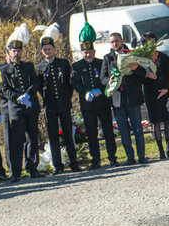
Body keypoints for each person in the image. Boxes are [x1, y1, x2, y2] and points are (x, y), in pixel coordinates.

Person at [0, 26, 45, 182]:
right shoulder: (4, 70)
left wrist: (28, 95)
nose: (16, 53)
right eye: (14, 51)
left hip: (31, 107)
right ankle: (16, 172)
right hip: (16, 110)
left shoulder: (28, 66)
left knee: (32, 138)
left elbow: (36, 81)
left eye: (19, 51)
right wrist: (18, 98)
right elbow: (4, 89)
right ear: (9, 53)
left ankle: (32, 168)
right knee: (17, 141)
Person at [71, 22, 118, 170]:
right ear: (81, 53)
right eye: (85, 53)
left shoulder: (100, 62)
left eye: (90, 52)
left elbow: (105, 78)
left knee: (108, 131)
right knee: (91, 134)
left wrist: (101, 89)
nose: (88, 54)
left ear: (94, 51)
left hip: (103, 102)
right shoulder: (77, 66)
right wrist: (85, 92)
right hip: (88, 105)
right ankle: (95, 160)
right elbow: (75, 83)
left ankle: (112, 157)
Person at [36, 28, 81, 174]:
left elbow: (69, 84)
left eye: (50, 48)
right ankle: (58, 165)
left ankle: (74, 163)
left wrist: (66, 98)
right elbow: (40, 88)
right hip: (49, 106)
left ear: (54, 49)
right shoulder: (40, 67)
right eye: (45, 49)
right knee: (53, 136)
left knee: (68, 134)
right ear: (42, 51)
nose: (48, 51)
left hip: (63, 104)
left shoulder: (63, 63)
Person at [101, 32, 147, 165]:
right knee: (123, 129)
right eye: (112, 42)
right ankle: (130, 157)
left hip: (132, 96)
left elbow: (143, 76)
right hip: (117, 98)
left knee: (137, 128)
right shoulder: (108, 58)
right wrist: (110, 80)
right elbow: (102, 78)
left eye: (117, 41)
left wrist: (136, 68)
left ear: (122, 40)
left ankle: (141, 156)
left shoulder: (132, 54)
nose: (115, 44)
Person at [141, 32, 169, 159]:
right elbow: (137, 76)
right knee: (155, 122)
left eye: (151, 41)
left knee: (166, 120)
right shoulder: (141, 59)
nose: (149, 44)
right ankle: (160, 152)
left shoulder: (163, 57)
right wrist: (147, 75)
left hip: (163, 91)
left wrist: (167, 88)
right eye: (146, 42)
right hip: (150, 92)